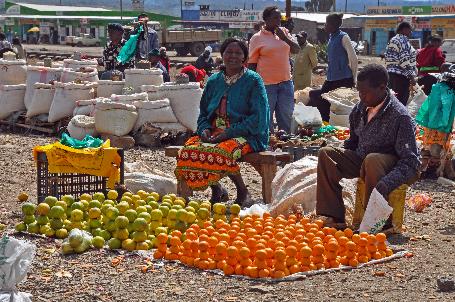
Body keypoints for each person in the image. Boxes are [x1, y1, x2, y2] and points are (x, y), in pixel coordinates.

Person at [315, 64, 420, 228]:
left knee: (372, 160)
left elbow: (411, 162)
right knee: (326, 153)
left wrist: (386, 183)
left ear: (382, 88)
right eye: (359, 91)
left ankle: (378, 223)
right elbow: (353, 142)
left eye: (364, 92)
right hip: (362, 159)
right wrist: (341, 156)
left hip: (388, 165)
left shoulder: (400, 116)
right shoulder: (359, 109)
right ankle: (334, 217)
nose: (361, 96)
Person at [175, 38, 270, 206]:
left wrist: (228, 133)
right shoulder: (213, 81)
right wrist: (204, 129)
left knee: (222, 151)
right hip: (215, 132)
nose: (233, 56)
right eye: (229, 52)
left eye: (238, 53)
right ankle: (217, 188)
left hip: (247, 134)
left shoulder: (254, 81)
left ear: (244, 58)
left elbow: (259, 119)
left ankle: (243, 191)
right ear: (222, 55)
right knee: (189, 150)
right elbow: (203, 113)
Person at [248, 6, 300, 133]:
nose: (278, 21)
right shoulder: (257, 38)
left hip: (286, 83)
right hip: (266, 85)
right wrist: (253, 86)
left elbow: (296, 49)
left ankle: (285, 145)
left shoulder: (285, 32)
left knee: (286, 116)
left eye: (279, 18)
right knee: (267, 117)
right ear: (266, 19)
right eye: (275, 18)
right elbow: (252, 64)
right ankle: (269, 145)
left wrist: (284, 38)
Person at [307, 13, 358, 122]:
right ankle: (326, 121)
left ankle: (330, 122)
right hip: (331, 79)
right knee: (317, 96)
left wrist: (354, 78)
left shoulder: (343, 37)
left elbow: (353, 59)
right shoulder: (331, 37)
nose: (325, 26)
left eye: (327, 23)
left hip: (343, 79)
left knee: (340, 105)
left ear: (334, 25)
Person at [384, 22, 417, 106]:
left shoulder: (393, 40)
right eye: (410, 30)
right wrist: (412, 77)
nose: (411, 32)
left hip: (391, 75)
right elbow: (404, 60)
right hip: (400, 77)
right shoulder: (402, 40)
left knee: (392, 101)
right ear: (404, 29)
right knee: (400, 103)